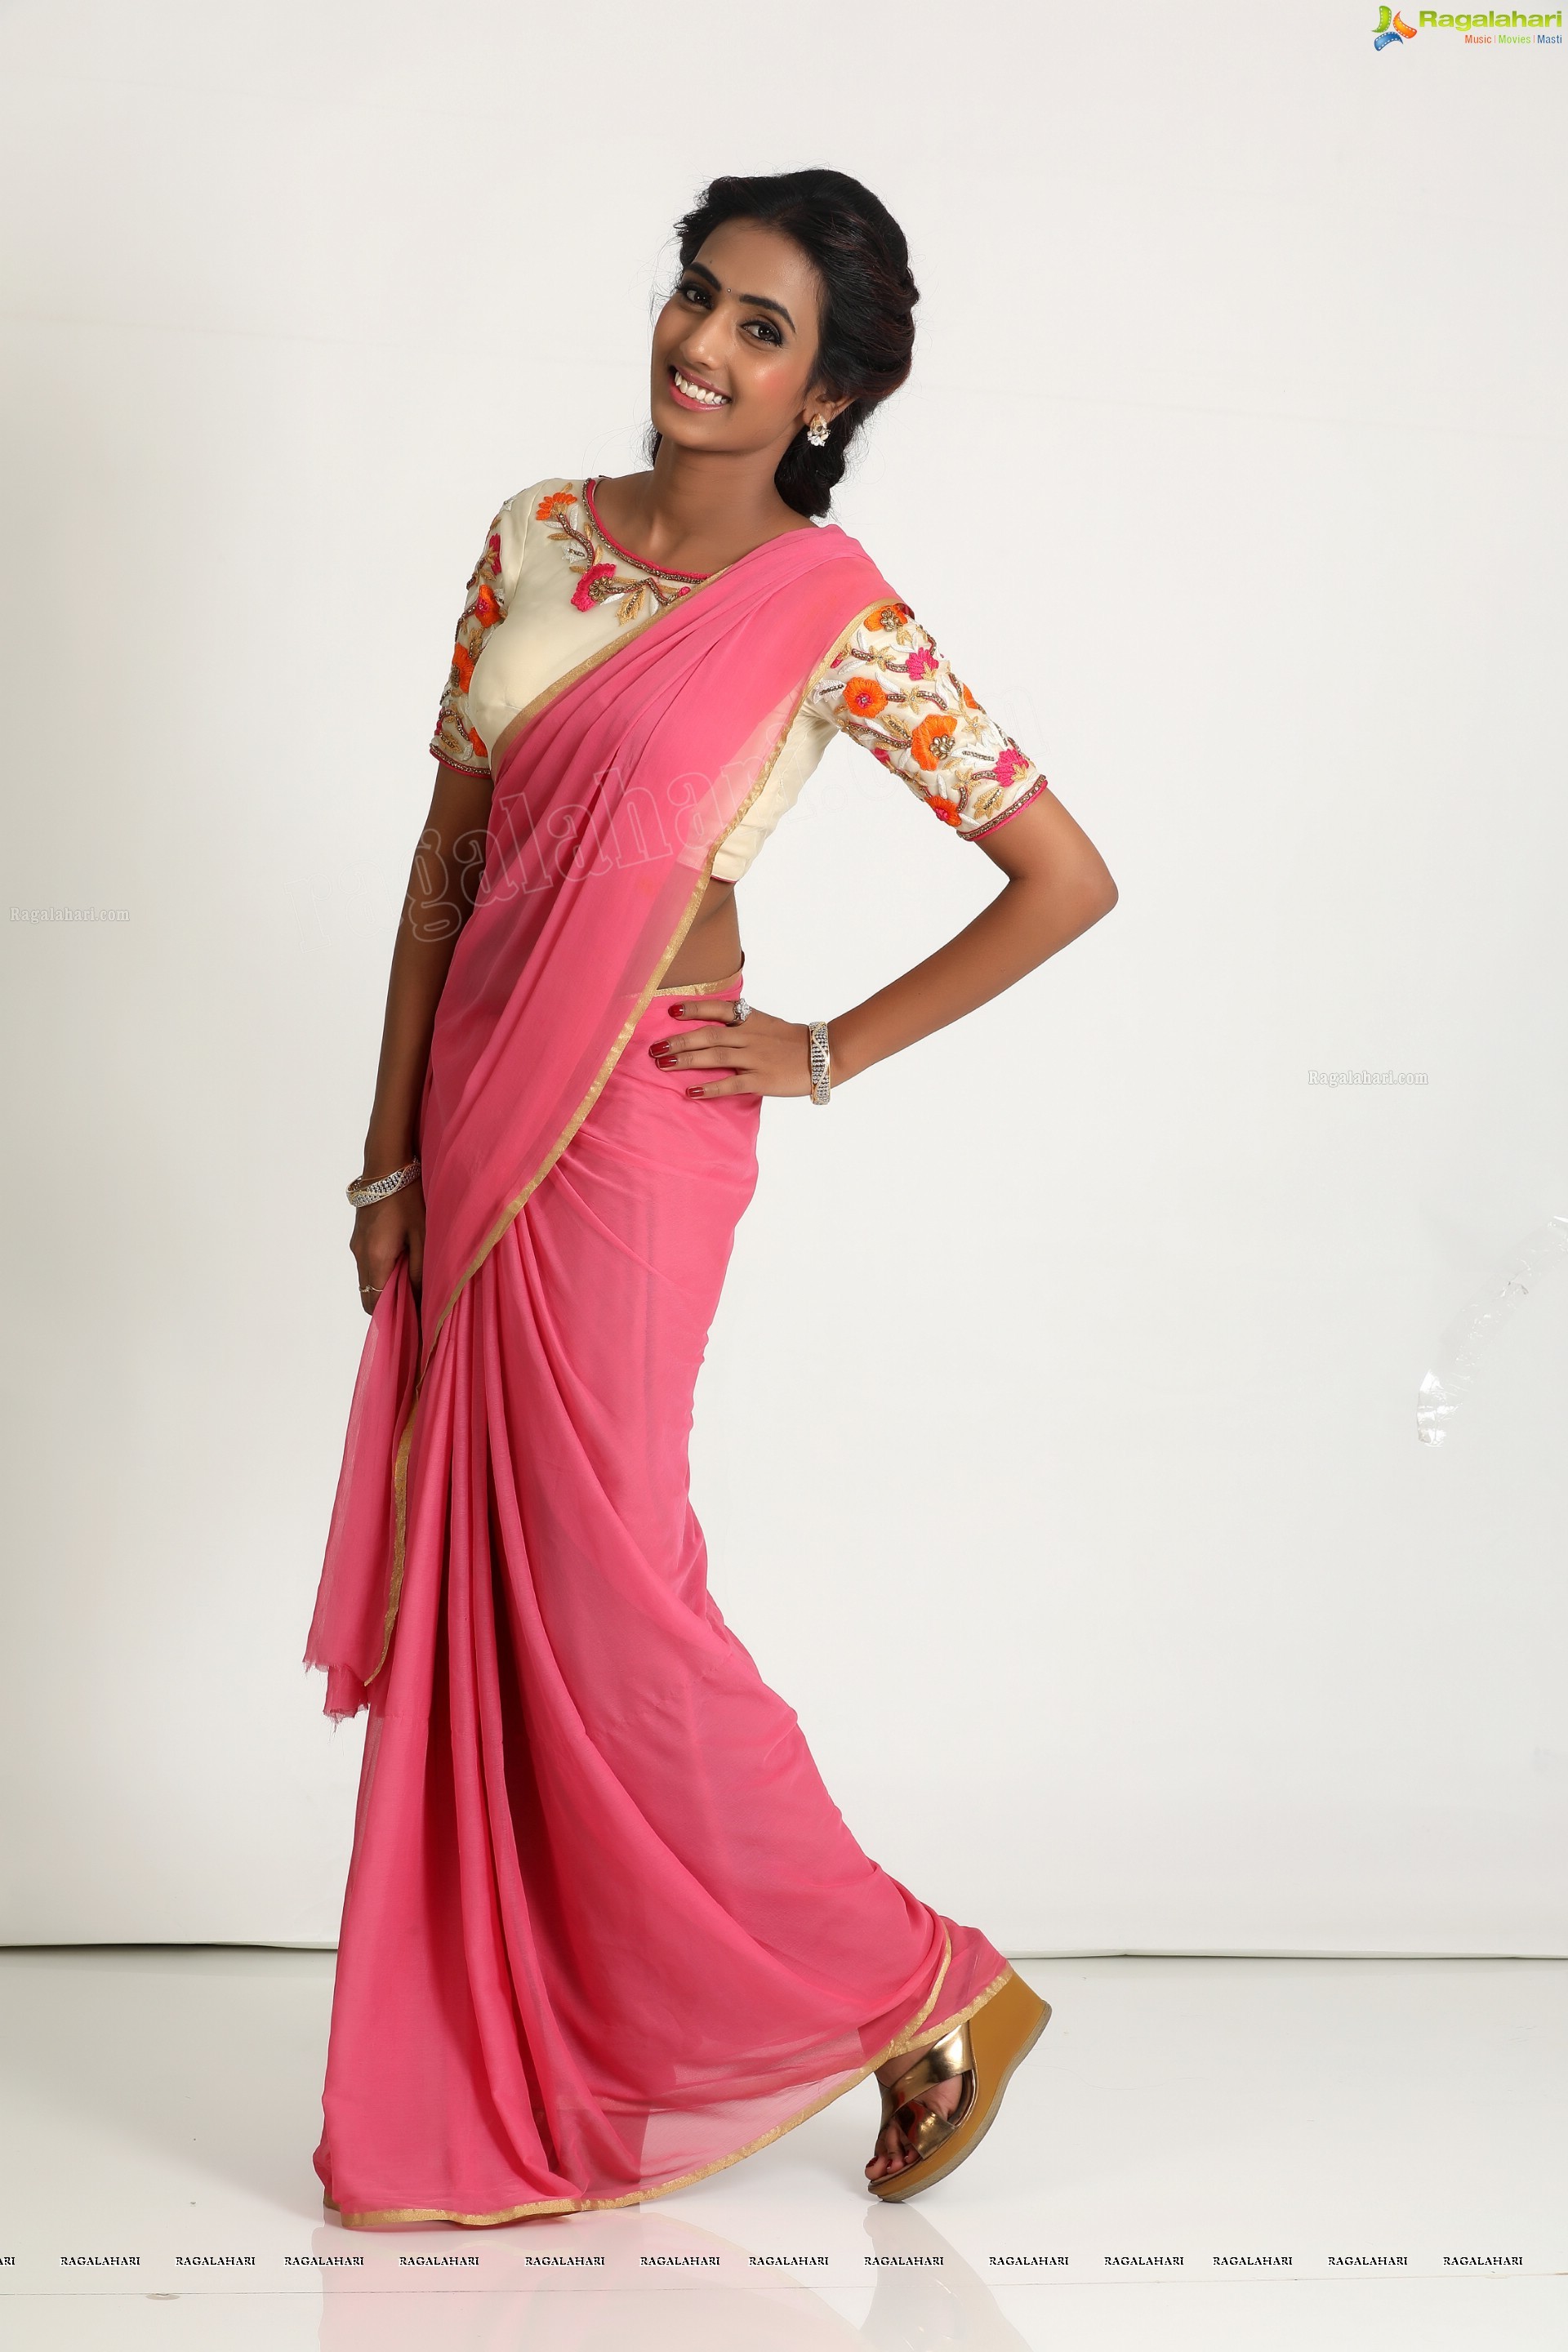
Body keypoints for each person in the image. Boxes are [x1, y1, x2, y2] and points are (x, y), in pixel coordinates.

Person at [305, 167, 1117, 2230]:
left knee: (611, 1601)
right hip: (477, 1113)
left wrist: (827, 1046)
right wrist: (391, 1150)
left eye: (765, 330)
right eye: (699, 296)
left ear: (829, 393)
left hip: (641, 1133)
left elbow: (1064, 878)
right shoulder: (531, 537)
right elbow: (445, 872)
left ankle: (923, 1981)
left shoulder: (834, 616)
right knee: (505, 1603)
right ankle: (547, 2034)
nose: (705, 346)